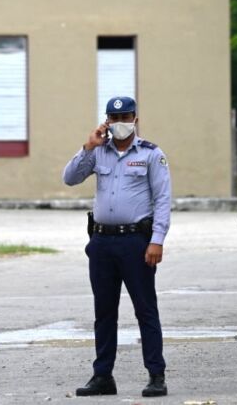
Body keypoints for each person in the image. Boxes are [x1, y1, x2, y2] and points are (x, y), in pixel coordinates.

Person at [62, 96, 171, 398]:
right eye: (114, 118)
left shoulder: (151, 154)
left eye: (126, 117)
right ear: (106, 121)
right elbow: (70, 178)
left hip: (137, 242)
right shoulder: (98, 153)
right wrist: (88, 146)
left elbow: (162, 200)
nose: (120, 123)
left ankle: (156, 375)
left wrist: (157, 240)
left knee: (145, 310)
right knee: (104, 312)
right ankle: (102, 376)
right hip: (101, 243)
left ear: (135, 118)